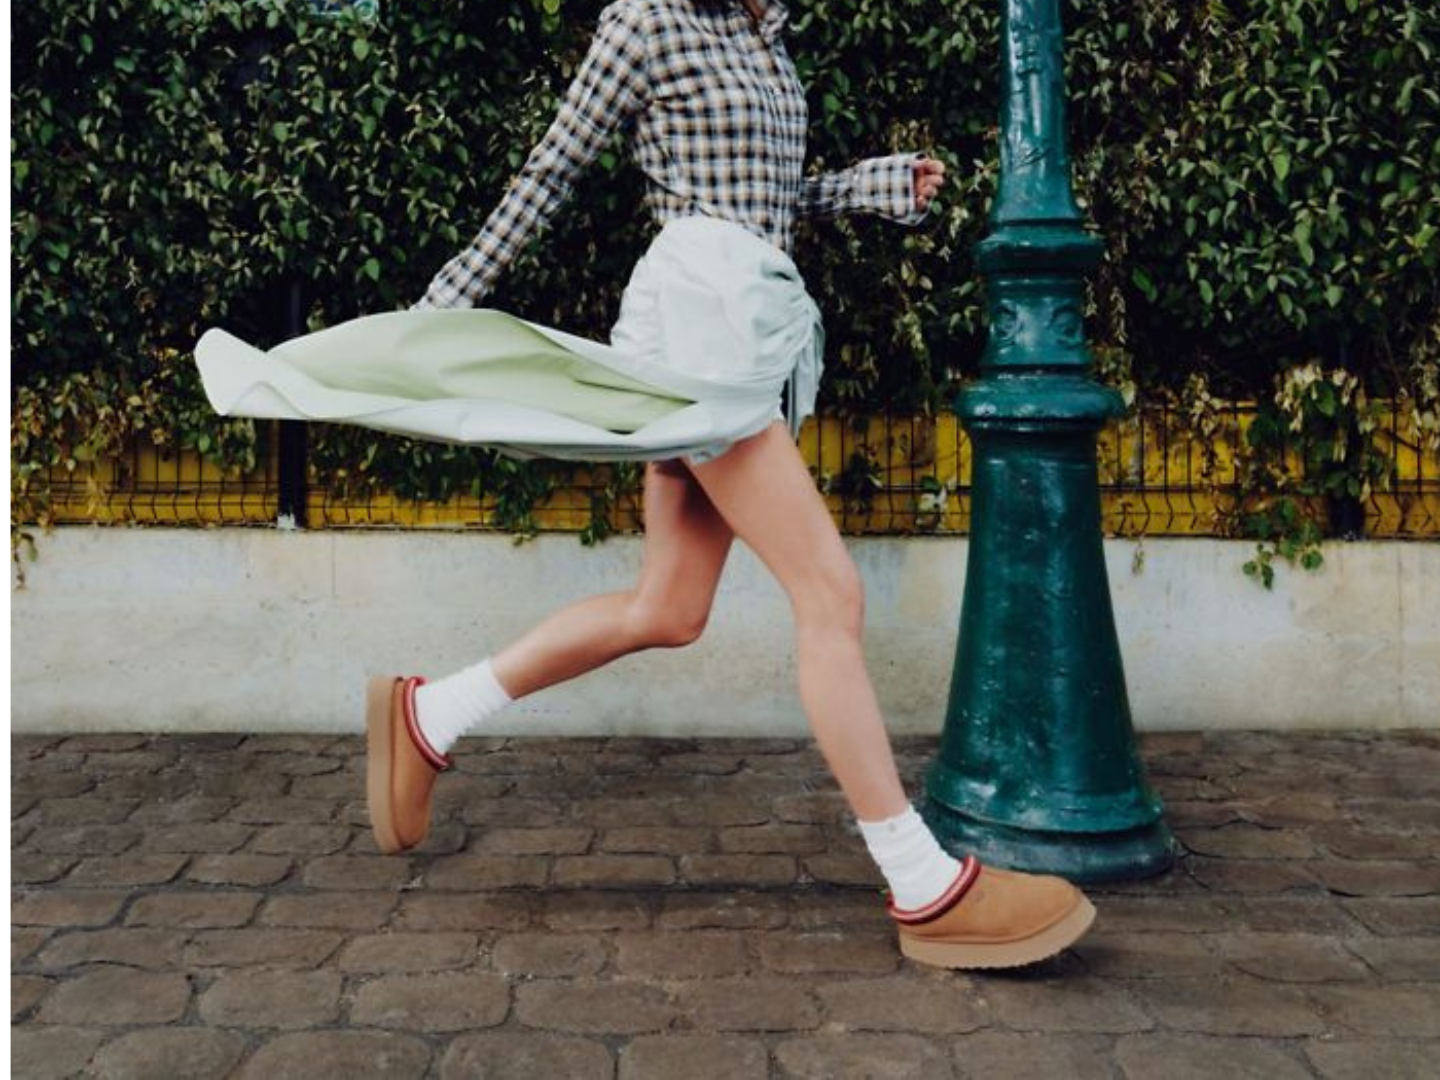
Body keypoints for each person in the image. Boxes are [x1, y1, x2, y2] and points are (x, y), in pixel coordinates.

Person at [365, 0, 1096, 969]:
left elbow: (769, 195)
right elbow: (549, 176)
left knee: (668, 607)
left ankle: (429, 712)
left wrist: (871, 185)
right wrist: (433, 319)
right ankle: (922, 883)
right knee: (828, 592)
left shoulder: (763, 34)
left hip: (746, 326)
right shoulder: (647, 20)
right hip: (701, 328)